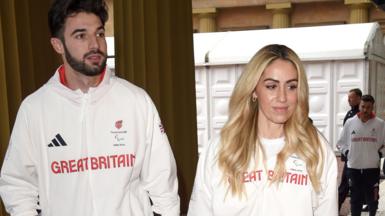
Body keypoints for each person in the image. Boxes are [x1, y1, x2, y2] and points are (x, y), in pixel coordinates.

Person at [0, 0, 180, 215]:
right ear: (58, 45)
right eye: (81, 35)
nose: (95, 44)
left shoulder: (136, 101)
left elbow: (163, 185)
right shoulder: (34, 109)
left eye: (100, 33)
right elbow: (17, 185)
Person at [187, 44, 338, 216]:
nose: (282, 97)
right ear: (254, 91)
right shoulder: (220, 149)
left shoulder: (316, 150)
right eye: (271, 86)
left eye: (291, 87)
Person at [338, 94, 385, 216]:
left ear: (372, 107)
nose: (365, 110)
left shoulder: (380, 124)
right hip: (354, 168)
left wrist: (379, 153)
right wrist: (348, 152)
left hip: (372, 169)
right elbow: (340, 143)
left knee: (373, 199)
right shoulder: (350, 122)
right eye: (363, 106)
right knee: (355, 199)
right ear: (359, 106)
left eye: (368, 107)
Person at [338, 88, 362, 211]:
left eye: (351, 98)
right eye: (348, 97)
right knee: (347, 182)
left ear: (358, 98)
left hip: (355, 155)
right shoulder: (350, 113)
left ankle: (336, 207)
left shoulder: (361, 114)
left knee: (347, 182)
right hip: (349, 153)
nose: (348, 100)